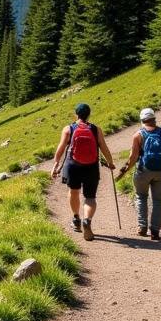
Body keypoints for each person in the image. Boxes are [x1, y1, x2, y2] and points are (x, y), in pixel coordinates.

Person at [52, 103, 117, 242]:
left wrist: (56, 165)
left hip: (73, 165)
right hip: (91, 166)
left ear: (76, 114)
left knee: (73, 191)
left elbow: (61, 148)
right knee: (90, 197)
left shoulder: (68, 129)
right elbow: (104, 148)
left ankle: (76, 219)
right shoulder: (95, 129)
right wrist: (110, 163)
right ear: (89, 114)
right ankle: (87, 220)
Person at [116, 107, 161, 240]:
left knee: (141, 197)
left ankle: (142, 227)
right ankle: (155, 231)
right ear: (154, 119)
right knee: (158, 201)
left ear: (142, 120)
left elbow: (133, 158)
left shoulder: (138, 135)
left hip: (143, 171)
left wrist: (125, 170)